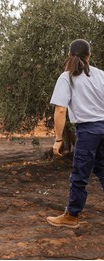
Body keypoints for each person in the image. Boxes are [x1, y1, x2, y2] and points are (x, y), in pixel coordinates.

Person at [47, 39, 104, 229]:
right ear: (89, 55)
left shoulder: (67, 77)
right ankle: (71, 214)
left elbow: (60, 110)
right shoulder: (101, 75)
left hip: (88, 131)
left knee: (79, 174)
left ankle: (71, 216)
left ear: (70, 54)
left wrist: (58, 139)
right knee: (102, 169)